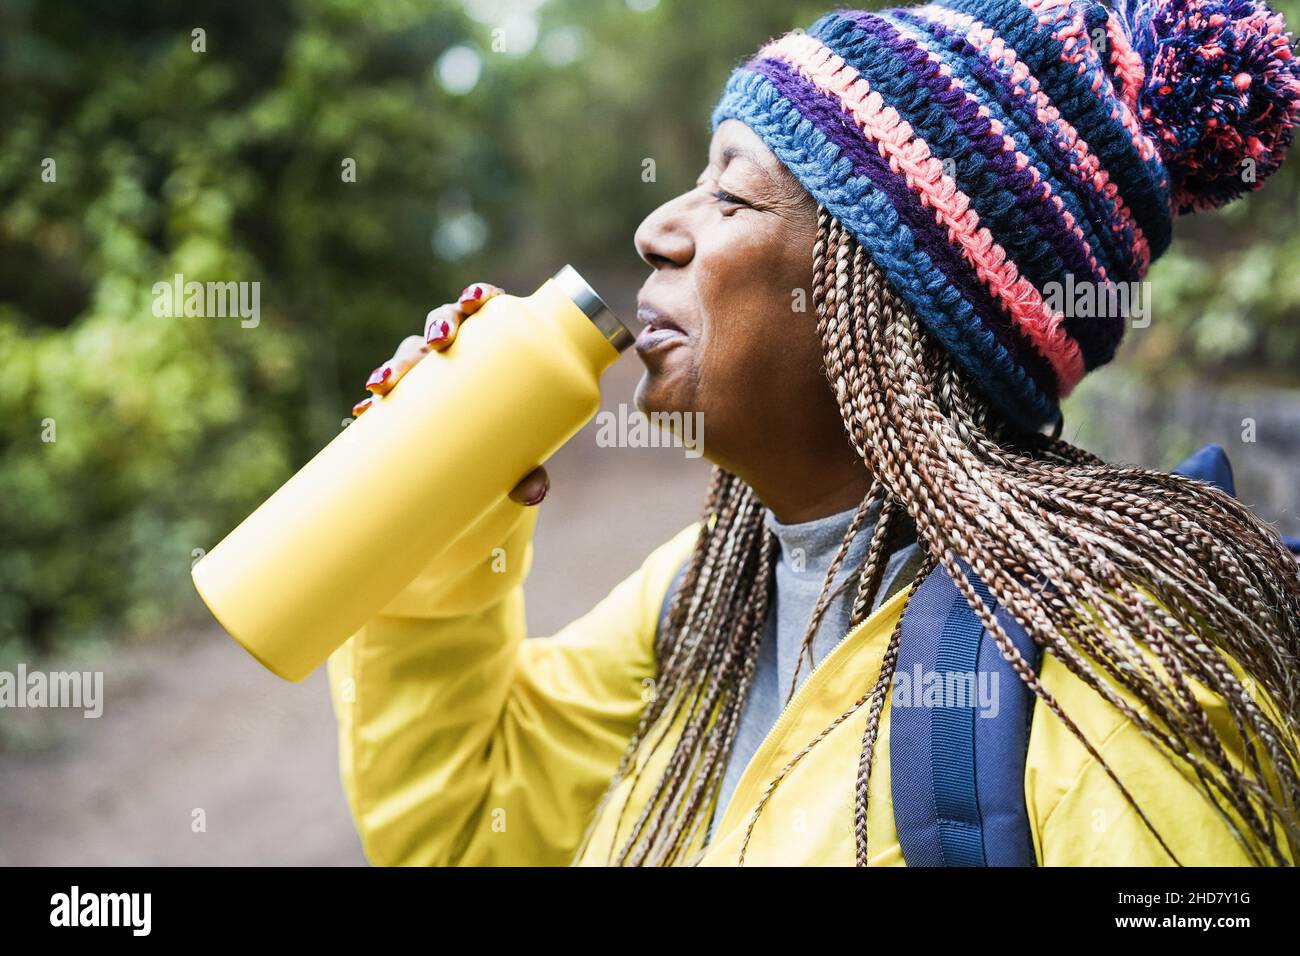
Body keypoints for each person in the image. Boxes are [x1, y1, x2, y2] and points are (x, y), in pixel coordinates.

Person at [328, 0, 1300, 866]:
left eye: (731, 194)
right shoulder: (706, 590)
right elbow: (469, 831)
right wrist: (438, 504)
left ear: (890, 299)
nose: (658, 230)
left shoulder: (1112, 697)